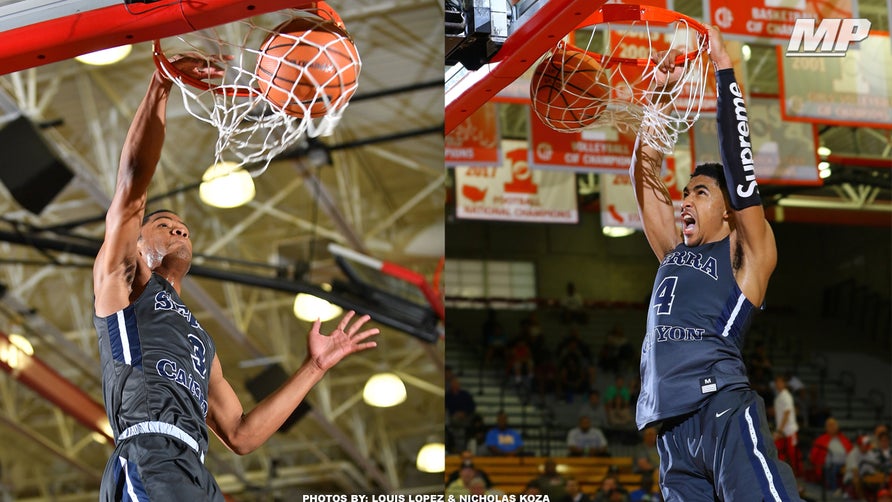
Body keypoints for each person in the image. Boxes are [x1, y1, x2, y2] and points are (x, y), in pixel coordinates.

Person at [92, 57, 378, 501]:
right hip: (147, 452)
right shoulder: (125, 282)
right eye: (163, 222)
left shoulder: (200, 341)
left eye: (183, 226)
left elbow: (242, 436)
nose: (178, 228)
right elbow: (130, 192)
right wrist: (160, 88)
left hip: (194, 467)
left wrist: (315, 367)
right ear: (137, 241)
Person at [630, 26, 800, 500]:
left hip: (721, 408)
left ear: (727, 210)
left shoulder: (746, 253)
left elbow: (741, 175)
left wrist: (724, 72)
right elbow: (644, 178)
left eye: (699, 193)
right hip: (671, 430)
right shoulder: (674, 252)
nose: (683, 200)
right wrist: (660, 94)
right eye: (683, 192)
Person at [808, 417, 851, 494]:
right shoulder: (821, 439)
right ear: (826, 428)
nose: (832, 427)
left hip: (845, 462)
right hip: (830, 463)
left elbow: (850, 450)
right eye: (830, 425)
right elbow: (814, 455)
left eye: (834, 425)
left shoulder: (843, 439)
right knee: (831, 468)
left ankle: (847, 491)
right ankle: (834, 489)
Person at [774, 374, 802, 476]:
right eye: (776, 382)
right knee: (778, 452)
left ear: (784, 383)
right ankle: (782, 475)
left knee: (792, 455)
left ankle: (796, 478)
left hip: (789, 431)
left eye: (780, 382)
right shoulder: (780, 396)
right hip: (783, 430)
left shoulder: (786, 396)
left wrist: (779, 430)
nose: (778, 384)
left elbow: (787, 413)